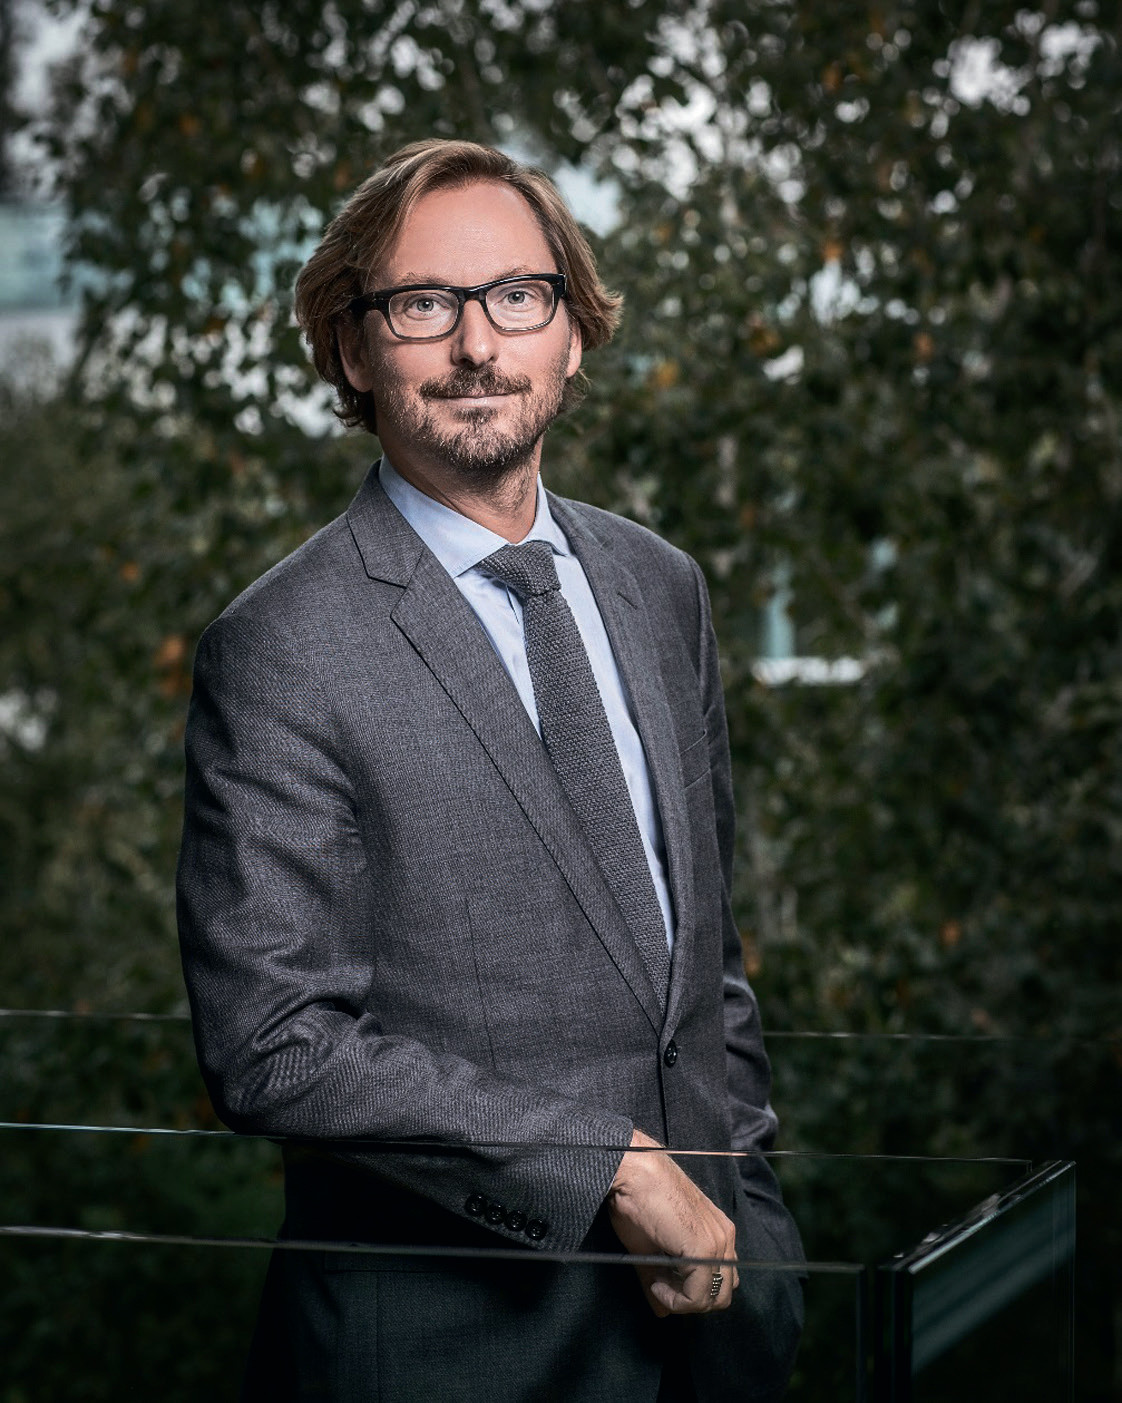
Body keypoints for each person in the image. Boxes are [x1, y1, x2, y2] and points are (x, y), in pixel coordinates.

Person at [176, 138, 803, 1403]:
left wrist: (763, 1228)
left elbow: (703, 967)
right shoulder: (282, 647)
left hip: (710, 1335)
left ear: (570, 332)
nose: (478, 345)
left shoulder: (659, 587)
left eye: (518, 295)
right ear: (354, 349)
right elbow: (275, 1044)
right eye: (424, 304)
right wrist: (609, 1163)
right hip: (450, 1357)